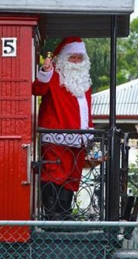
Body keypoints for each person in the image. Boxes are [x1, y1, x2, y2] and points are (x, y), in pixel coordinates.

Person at [32, 36, 93, 220]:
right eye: (72, 57)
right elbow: (37, 90)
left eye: (79, 58)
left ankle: (64, 215)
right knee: (54, 174)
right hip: (56, 136)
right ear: (63, 59)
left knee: (72, 177)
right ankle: (53, 216)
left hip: (79, 138)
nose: (76, 62)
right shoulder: (54, 76)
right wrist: (45, 71)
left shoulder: (84, 82)